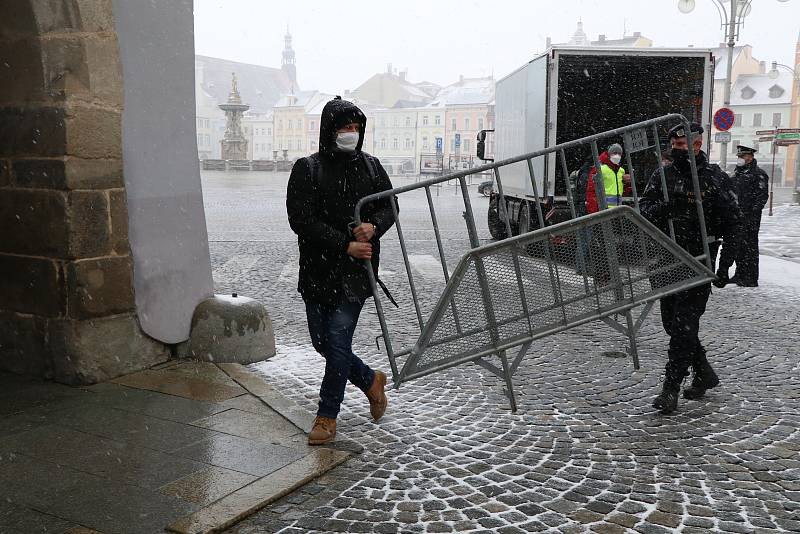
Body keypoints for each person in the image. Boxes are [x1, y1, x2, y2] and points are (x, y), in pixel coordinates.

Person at [286, 96, 395, 445]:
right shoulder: (308, 168)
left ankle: (326, 416)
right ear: (329, 130)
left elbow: (390, 205)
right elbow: (301, 220)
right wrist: (343, 243)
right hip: (319, 269)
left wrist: (374, 226)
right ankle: (369, 380)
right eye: (344, 127)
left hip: (355, 275)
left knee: (336, 340)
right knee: (322, 341)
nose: (351, 132)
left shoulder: (372, 167)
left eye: (356, 127)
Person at [639, 123, 741, 415]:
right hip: (666, 260)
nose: (679, 151)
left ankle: (670, 389)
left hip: (699, 260)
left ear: (698, 145)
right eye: (676, 146)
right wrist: (664, 209)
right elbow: (643, 209)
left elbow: (734, 222)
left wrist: (725, 264)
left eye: (685, 146)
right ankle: (704, 371)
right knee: (673, 325)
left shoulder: (714, 178)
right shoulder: (663, 175)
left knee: (685, 326)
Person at [722, 145, 769, 287]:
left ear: (750, 157)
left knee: (750, 247)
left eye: (742, 157)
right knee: (738, 246)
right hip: (737, 216)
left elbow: (761, 197)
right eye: (739, 157)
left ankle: (751, 277)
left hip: (750, 218)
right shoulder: (737, 173)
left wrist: (751, 213)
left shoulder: (758, 174)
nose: (740, 159)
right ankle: (740, 274)